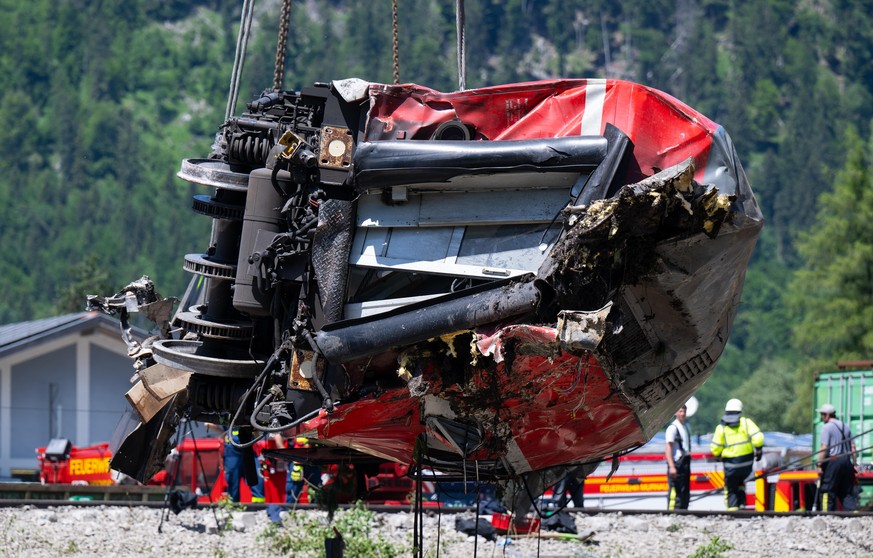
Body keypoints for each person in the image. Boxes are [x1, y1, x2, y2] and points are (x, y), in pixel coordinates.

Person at [710, 398, 763, 510]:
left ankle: (733, 510)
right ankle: (742, 504)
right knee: (740, 483)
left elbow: (715, 448)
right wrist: (758, 450)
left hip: (730, 466)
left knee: (731, 488)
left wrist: (718, 455)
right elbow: (758, 438)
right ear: (740, 411)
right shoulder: (746, 423)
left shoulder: (721, 428)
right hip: (747, 465)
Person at [816, 403, 858, 511]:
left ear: (827, 415)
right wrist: (854, 464)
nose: (821, 417)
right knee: (847, 493)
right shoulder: (846, 426)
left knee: (827, 491)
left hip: (833, 462)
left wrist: (819, 464)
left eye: (822, 415)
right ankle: (853, 516)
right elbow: (853, 447)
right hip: (846, 462)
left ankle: (826, 515)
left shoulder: (827, 427)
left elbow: (824, 448)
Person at [665, 404, 691, 510]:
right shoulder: (672, 428)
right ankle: (672, 514)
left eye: (684, 411)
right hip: (677, 463)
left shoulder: (685, 427)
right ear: (675, 413)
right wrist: (671, 466)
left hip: (685, 463)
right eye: (680, 411)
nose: (683, 413)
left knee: (684, 492)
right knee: (675, 492)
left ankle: (683, 512)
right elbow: (668, 448)